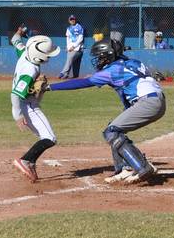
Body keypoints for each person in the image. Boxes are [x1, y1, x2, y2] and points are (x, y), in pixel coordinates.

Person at [49, 38, 164, 184]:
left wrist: (51, 87)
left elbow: (83, 82)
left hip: (147, 102)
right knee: (114, 128)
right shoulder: (134, 62)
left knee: (112, 132)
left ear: (109, 55)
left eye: (101, 57)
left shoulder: (112, 70)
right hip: (156, 100)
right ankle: (125, 168)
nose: (99, 60)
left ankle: (142, 167)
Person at [11, 35, 61, 183]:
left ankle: (30, 161)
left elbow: (16, 42)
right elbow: (15, 94)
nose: (48, 57)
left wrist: (18, 34)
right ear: (38, 55)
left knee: (45, 137)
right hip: (28, 106)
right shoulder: (30, 71)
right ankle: (25, 160)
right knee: (50, 138)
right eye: (47, 55)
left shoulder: (25, 53)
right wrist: (18, 115)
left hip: (28, 104)